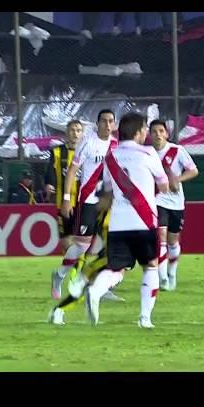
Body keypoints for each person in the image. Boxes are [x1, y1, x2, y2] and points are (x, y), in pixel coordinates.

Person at [84, 112, 172, 328]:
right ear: (138, 132)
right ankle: (144, 318)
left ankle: (95, 290)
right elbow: (164, 185)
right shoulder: (149, 153)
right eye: (144, 129)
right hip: (144, 221)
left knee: (117, 269)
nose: (146, 134)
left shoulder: (110, 157)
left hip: (118, 224)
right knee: (150, 266)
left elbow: (106, 191)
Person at [53, 110, 117, 301]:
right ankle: (60, 275)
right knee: (82, 246)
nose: (107, 125)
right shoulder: (87, 142)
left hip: (110, 201)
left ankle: (100, 286)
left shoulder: (117, 145)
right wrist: (66, 198)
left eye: (111, 121)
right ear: (97, 124)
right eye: (104, 121)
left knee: (112, 244)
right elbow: (72, 171)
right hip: (89, 200)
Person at [48, 208, 123, 326]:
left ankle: (60, 310)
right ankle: (58, 310)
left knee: (91, 287)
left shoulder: (110, 213)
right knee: (86, 288)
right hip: (107, 260)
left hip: (109, 257)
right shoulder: (110, 215)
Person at [149, 119, 199, 291]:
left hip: (176, 202)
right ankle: (162, 278)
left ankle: (172, 273)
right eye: (154, 131)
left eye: (161, 131)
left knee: (173, 240)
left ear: (166, 134)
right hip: (156, 200)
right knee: (160, 236)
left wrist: (177, 179)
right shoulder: (147, 153)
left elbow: (193, 170)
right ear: (149, 135)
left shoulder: (177, 151)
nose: (157, 135)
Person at [44, 120, 83, 261]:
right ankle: (71, 264)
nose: (75, 133)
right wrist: (49, 184)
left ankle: (75, 265)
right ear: (67, 133)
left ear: (82, 134)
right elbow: (50, 172)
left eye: (78, 130)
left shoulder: (87, 153)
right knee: (67, 237)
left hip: (83, 202)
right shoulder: (57, 152)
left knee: (81, 237)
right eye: (72, 130)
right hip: (63, 202)